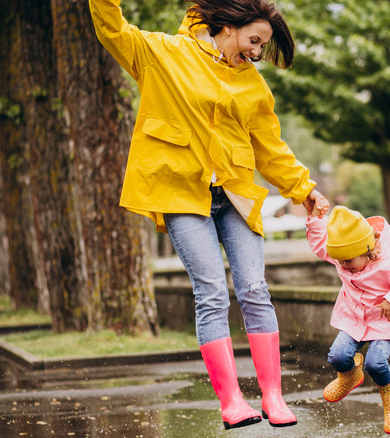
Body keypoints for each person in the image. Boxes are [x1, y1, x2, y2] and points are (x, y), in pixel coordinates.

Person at [89, 0, 329, 430]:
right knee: (212, 292)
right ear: (228, 26)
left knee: (255, 288)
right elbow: (112, 28)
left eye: (262, 46)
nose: (256, 52)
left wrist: (304, 190)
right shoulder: (162, 53)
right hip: (181, 194)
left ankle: (273, 396)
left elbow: (269, 148)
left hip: (234, 194)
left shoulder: (253, 84)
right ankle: (232, 401)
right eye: (254, 41)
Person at [305, 206, 390, 435]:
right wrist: (314, 219)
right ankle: (350, 375)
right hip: (355, 319)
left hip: (383, 320)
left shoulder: (389, 262)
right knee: (337, 356)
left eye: (348, 261)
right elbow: (321, 245)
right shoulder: (343, 256)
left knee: (375, 363)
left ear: (366, 251)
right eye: (339, 261)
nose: (343, 266)